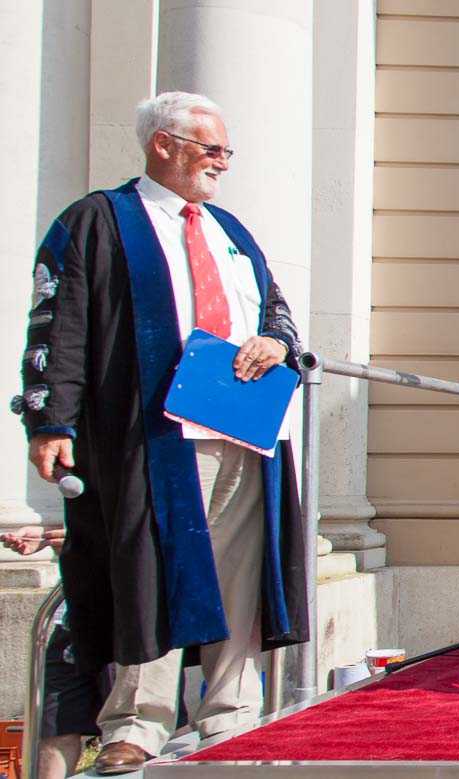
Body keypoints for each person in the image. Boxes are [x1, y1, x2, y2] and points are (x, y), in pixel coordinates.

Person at [20, 91, 310, 774]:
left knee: (240, 574)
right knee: (148, 572)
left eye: (226, 152)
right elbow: (58, 324)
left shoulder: (230, 230)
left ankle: (233, 712)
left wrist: (274, 341)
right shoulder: (101, 221)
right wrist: (50, 418)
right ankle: (137, 721)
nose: (223, 164)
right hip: (152, 433)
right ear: (163, 144)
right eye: (212, 149)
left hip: (242, 430)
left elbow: (277, 314)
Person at [4, 525, 112, 779]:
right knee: (56, 725)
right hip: (71, 618)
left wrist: (87, 541)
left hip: (125, 616)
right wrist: (48, 534)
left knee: (131, 731)